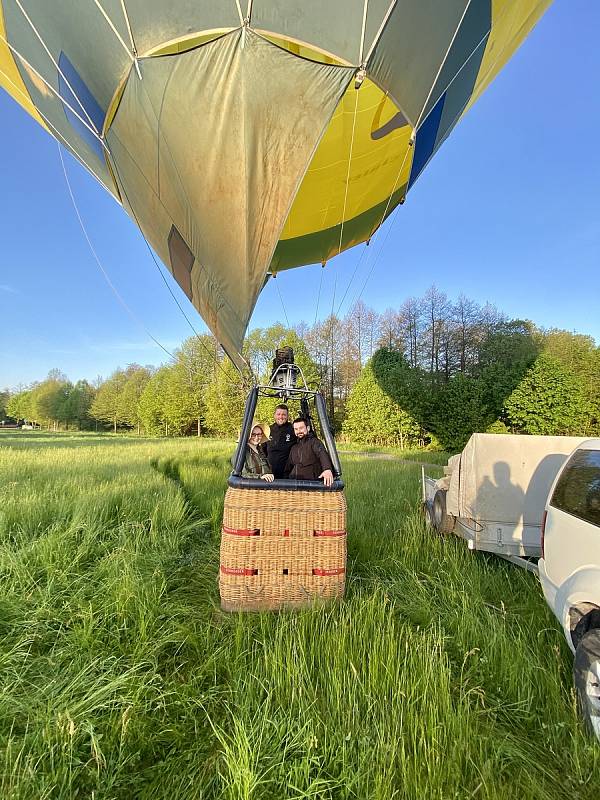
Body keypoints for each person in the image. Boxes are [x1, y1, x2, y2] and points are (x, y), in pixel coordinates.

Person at [284, 418, 334, 487]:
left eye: (301, 428)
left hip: (311, 485)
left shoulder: (315, 442)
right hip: (294, 485)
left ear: (308, 428)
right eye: (296, 429)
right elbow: (288, 467)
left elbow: (322, 454)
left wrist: (327, 469)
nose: (299, 431)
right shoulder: (294, 448)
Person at [263, 404, 296, 479]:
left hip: (288, 473)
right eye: (278, 414)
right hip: (270, 473)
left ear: (287, 416)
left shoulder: (293, 429)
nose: (281, 417)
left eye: (284, 415)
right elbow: (262, 451)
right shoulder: (268, 430)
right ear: (274, 415)